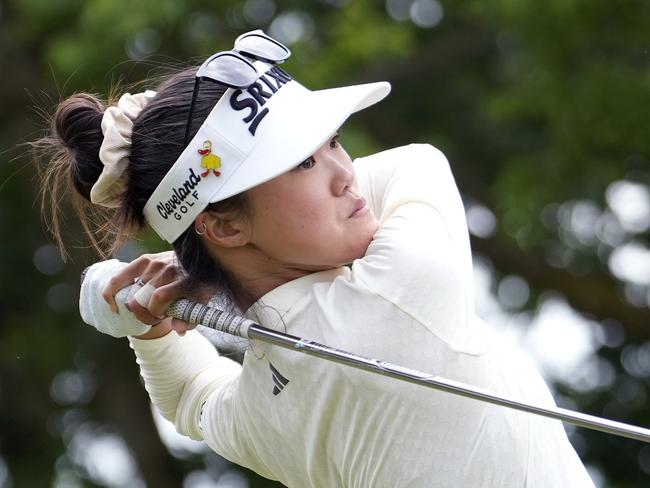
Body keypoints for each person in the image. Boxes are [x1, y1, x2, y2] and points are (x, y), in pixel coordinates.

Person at [36, 30, 595, 487]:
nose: (345, 172)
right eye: (302, 163)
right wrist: (194, 268)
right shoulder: (401, 284)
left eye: (333, 142)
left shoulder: (270, 404)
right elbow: (419, 162)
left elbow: (191, 397)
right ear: (226, 224)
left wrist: (153, 315)